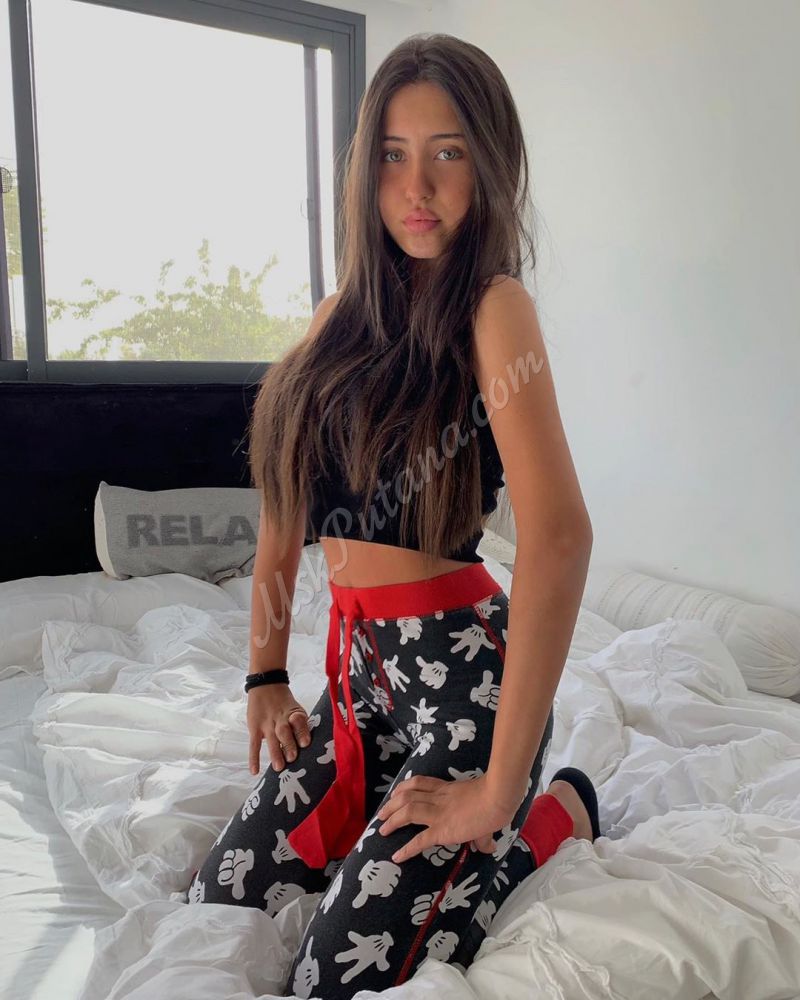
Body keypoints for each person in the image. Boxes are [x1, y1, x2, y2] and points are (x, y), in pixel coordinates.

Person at [187, 32, 600, 998]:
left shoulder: (493, 307)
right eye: (392, 154)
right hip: (360, 681)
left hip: (466, 682)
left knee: (334, 974)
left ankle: (553, 815)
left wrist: (497, 790)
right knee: (222, 895)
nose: (418, 187)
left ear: (488, 165)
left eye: (448, 152)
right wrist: (263, 673)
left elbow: (559, 538)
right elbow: (284, 501)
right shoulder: (338, 318)